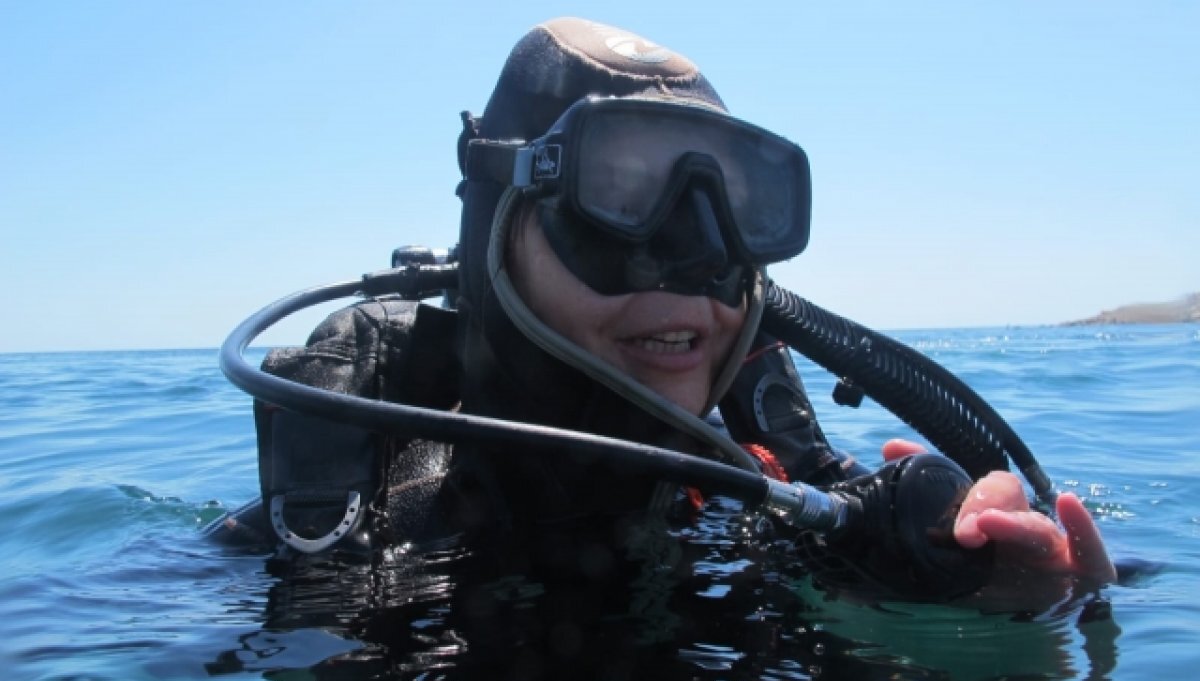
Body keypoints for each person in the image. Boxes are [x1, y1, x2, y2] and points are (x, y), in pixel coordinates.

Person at [228, 17, 1115, 602]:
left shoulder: (766, 498)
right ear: (493, 230)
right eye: (619, 189)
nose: (695, 256)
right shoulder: (356, 519)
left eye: (735, 202)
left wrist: (1006, 601)